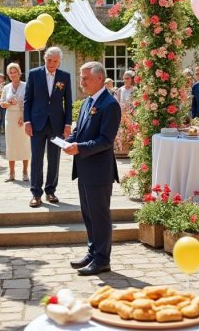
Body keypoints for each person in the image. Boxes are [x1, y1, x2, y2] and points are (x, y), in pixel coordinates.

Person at [63, 62, 121, 276]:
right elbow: (79, 130)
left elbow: (106, 140)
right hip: (85, 168)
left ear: (98, 78)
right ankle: (92, 252)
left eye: (85, 78)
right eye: (81, 77)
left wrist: (79, 147)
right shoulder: (88, 101)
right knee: (88, 214)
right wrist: (68, 141)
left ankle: (103, 259)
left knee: (100, 216)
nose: (81, 82)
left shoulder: (110, 104)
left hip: (99, 170)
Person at [23, 47, 73, 208]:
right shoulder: (34, 74)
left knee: (54, 159)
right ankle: (36, 194)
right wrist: (27, 121)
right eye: (49, 60)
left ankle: (50, 190)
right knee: (36, 159)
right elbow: (27, 100)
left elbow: (68, 102)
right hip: (37, 123)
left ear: (59, 61)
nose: (51, 63)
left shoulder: (65, 76)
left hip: (57, 124)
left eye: (55, 61)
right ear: (44, 59)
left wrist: (67, 124)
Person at [0, 63, 30, 182]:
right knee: (11, 145)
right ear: (8, 74)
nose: (13, 74)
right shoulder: (6, 87)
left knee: (25, 144)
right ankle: (11, 173)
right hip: (10, 118)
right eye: (10, 72)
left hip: (23, 117)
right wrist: (8, 103)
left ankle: (25, 172)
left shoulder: (26, 85)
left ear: (19, 73)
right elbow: (2, 103)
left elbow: (29, 103)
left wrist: (24, 117)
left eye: (15, 72)